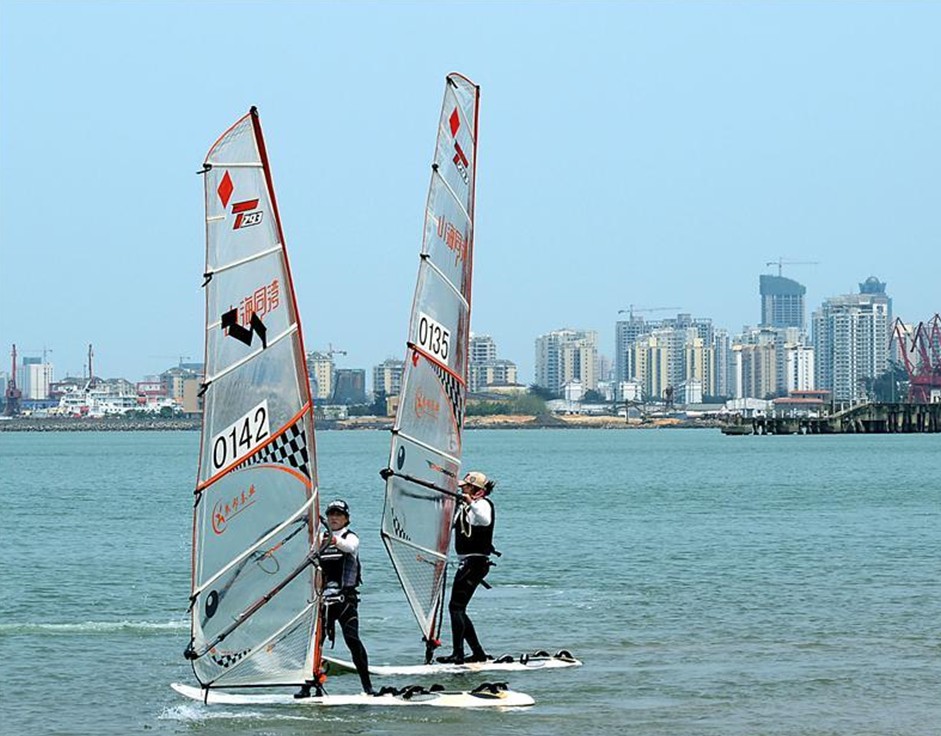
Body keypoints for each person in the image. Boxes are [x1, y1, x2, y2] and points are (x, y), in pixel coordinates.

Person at [295, 499, 374, 697]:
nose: (334, 518)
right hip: (324, 602)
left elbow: (349, 548)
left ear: (346, 518)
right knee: (315, 643)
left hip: (345, 601)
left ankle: (367, 686)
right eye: (331, 514)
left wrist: (333, 540)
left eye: (339, 515)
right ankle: (307, 686)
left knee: (352, 640)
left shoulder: (351, 537)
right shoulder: (319, 538)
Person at [437, 471, 497, 665]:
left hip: (475, 563)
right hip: (467, 563)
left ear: (476, 489)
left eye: (466, 486)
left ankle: (458, 654)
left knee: (455, 608)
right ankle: (477, 653)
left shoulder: (483, 504)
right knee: (458, 609)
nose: (462, 488)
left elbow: (485, 520)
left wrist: (469, 502)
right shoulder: (464, 507)